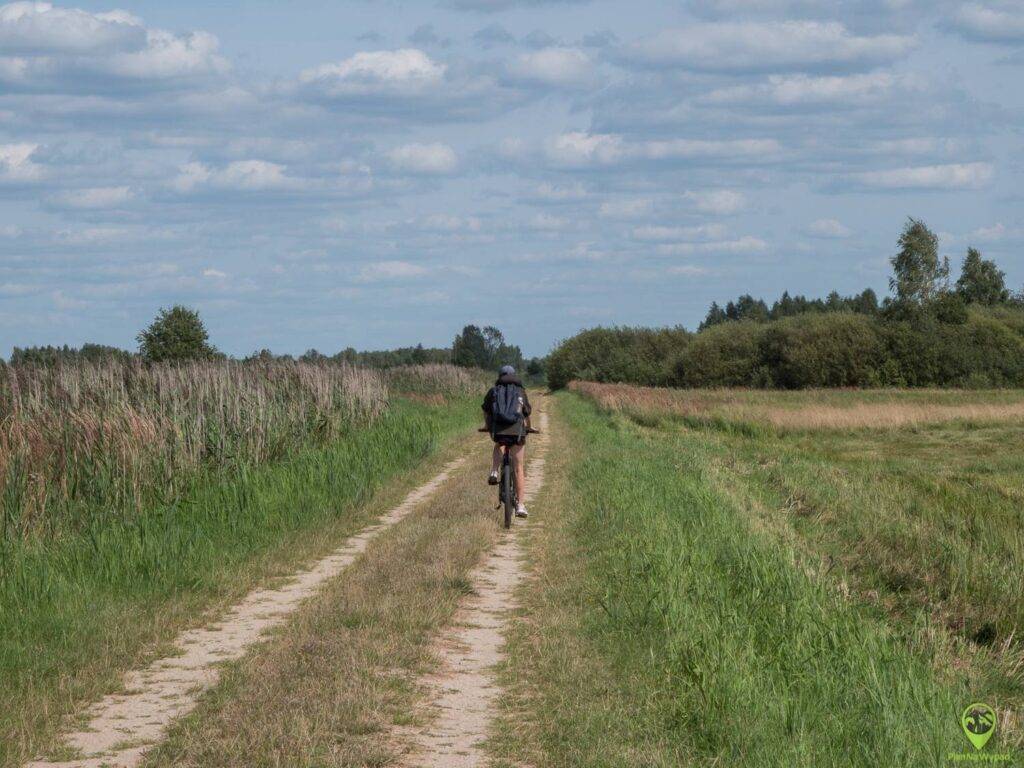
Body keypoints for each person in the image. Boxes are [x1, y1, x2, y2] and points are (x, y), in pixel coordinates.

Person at [482, 364, 532, 518]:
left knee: (499, 445)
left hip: (499, 431)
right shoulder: (520, 391)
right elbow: (526, 413)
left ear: (500, 376)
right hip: (517, 432)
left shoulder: (494, 391)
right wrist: (529, 427)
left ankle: (495, 471)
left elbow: (486, 410)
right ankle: (521, 506)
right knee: (518, 468)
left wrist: (487, 426)